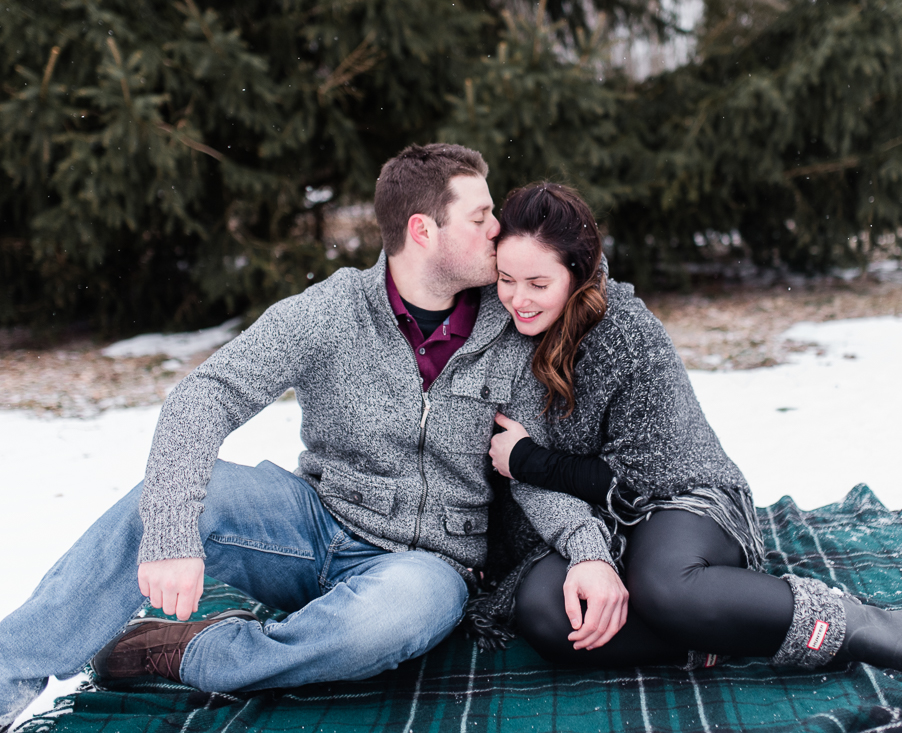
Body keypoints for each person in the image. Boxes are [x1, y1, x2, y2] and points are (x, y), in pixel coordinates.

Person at [0, 145, 617, 731]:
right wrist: (168, 530)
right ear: (424, 230)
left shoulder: (511, 327)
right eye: (481, 216)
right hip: (313, 524)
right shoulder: (331, 312)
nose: (497, 230)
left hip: (425, 565)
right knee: (169, 498)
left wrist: (587, 549)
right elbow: (203, 395)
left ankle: (203, 654)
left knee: (394, 616)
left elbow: (526, 463)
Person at [477, 181, 902, 685]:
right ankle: (715, 632)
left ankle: (866, 628)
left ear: (578, 273)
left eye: (537, 284)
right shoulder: (512, 337)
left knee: (664, 588)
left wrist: (527, 459)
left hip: (679, 497)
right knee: (545, 611)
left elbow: (635, 479)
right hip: (595, 520)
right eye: (506, 279)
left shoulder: (626, 335)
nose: (517, 299)